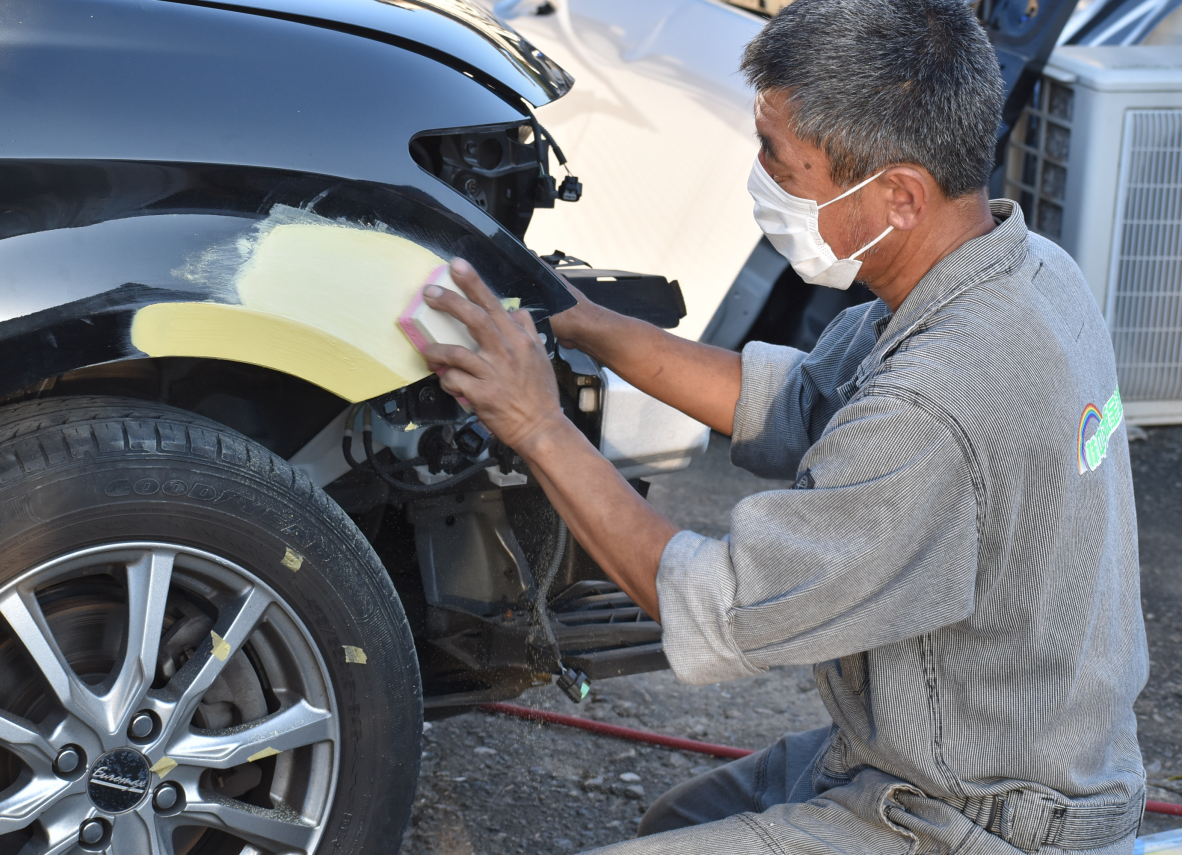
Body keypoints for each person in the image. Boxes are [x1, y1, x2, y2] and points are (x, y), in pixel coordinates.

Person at [417, 0, 1148, 851]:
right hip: (991, 753)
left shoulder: (936, 404)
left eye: (781, 163)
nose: (760, 182)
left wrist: (537, 424)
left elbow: (717, 603)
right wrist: (582, 320)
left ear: (900, 196)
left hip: (982, 813)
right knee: (678, 820)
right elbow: (796, 399)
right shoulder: (1022, 271)